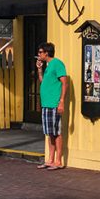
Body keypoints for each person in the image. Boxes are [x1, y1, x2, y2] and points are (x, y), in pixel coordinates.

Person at [36, 42, 67, 170]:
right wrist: (39, 69)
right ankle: (50, 159)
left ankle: (58, 161)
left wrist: (61, 101)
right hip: (46, 104)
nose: (38, 54)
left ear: (46, 53)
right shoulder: (48, 66)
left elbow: (64, 83)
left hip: (54, 103)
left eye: (40, 52)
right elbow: (44, 82)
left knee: (56, 132)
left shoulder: (57, 64)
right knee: (49, 133)